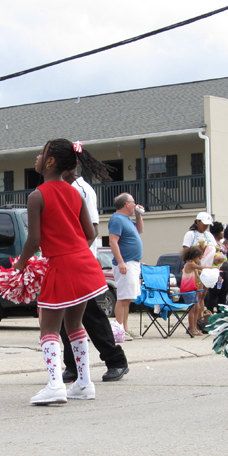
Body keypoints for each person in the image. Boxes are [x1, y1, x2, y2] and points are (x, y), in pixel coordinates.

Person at [15, 139, 108, 405]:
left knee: (48, 327)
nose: (37, 157)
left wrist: (20, 264)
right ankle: (84, 382)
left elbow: (33, 242)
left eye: (40, 153)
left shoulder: (37, 195)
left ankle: (56, 385)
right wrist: (74, 249)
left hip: (60, 266)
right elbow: (90, 233)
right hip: (84, 265)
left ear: (50, 161)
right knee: (74, 324)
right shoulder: (75, 193)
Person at [60, 163, 128, 383]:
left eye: (44, 155)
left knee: (90, 314)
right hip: (63, 261)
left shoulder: (83, 189)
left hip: (80, 261)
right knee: (63, 315)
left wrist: (76, 254)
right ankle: (72, 366)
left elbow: (92, 229)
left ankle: (115, 360)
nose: (38, 159)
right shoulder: (59, 188)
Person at [108, 193, 144, 341]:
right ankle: (118, 330)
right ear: (126, 204)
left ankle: (125, 329)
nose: (135, 204)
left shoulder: (127, 220)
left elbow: (139, 230)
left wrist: (138, 215)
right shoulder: (117, 219)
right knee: (123, 297)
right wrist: (121, 262)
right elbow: (113, 242)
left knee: (128, 298)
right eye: (133, 202)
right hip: (126, 263)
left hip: (133, 263)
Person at [180, 246, 214, 337]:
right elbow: (201, 267)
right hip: (188, 290)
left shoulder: (193, 267)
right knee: (193, 309)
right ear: (193, 256)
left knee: (197, 308)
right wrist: (212, 267)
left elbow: (200, 272)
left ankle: (195, 328)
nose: (200, 260)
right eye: (199, 258)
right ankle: (192, 329)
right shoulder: (190, 264)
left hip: (193, 290)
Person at [205, 222, 228, 312]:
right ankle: (209, 312)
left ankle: (221, 313)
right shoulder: (212, 245)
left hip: (225, 271)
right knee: (214, 294)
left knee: (223, 294)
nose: (223, 233)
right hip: (217, 271)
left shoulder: (222, 244)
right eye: (221, 231)